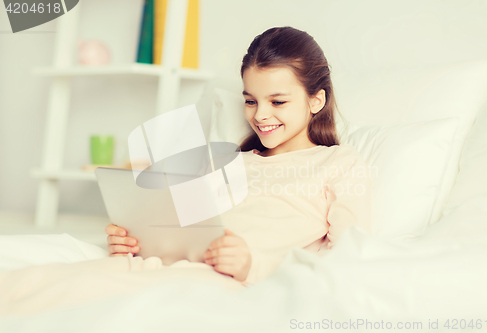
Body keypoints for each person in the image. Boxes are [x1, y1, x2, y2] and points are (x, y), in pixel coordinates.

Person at [105, 26, 372, 286]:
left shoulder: (338, 163)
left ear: (316, 100)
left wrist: (250, 267)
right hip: (170, 271)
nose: (259, 115)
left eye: (277, 101)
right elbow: (180, 233)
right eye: (251, 101)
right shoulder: (229, 162)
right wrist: (134, 243)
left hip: (230, 285)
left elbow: (347, 261)